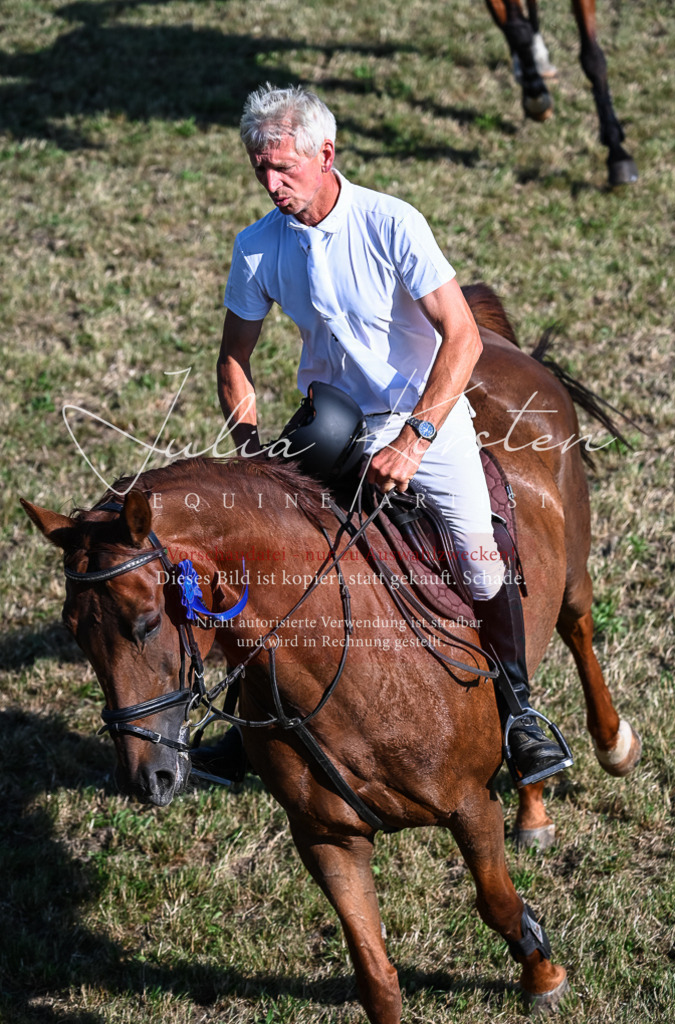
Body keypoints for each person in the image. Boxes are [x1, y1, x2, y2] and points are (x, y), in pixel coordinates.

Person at [192, 83, 571, 788]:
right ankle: (246, 724)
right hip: (327, 429)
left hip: (424, 419)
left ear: (325, 154)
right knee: (264, 563)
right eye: (260, 169)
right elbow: (233, 360)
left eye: (284, 168)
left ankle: (520, 715)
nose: (272, 184)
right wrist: (249, 449)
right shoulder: (256, 249)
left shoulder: (392, 222)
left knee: (478, 556)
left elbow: (462, 338)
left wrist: (418, 437)